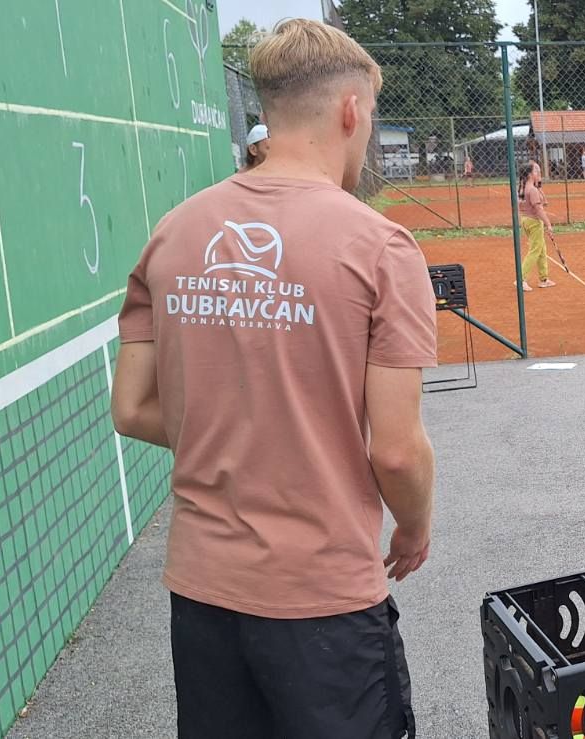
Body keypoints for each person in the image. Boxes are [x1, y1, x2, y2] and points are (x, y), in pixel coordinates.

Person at [112, 19, 434, 738]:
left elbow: (132, 407)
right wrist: (413, 527)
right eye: (371, 117)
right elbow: (397, 451)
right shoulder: (380, 246)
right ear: (351, 110)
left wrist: (236, 428)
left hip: (202, 595)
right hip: (323, 601)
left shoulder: (173, 231)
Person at [517, 161, 557, 292]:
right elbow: (539, 209)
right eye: (535, 172)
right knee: (535, 250)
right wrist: (548, 225)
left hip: (525, 220)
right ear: (529, 174)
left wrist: (538, 186)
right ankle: (521, 278)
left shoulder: (522, 189)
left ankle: (543, 279)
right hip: (534, 222)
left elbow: (543, 202)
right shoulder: (532, 190)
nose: (537, 174)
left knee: (541, 249)